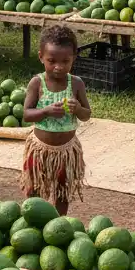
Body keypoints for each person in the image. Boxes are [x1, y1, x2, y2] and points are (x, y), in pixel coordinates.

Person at [21, 24, 92, 216]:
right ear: (41, 57)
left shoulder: (76, 83)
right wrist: (46, 111)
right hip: (39, 149)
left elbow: (87, 114)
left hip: (66, 151)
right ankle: (33, 219)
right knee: (34, 188)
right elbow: (27, 114)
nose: (58, 67)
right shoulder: (37, 83)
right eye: (51, 61)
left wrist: (77, 108)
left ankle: (59, 224)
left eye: (65, 61)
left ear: (74, 59)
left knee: (62, 192)